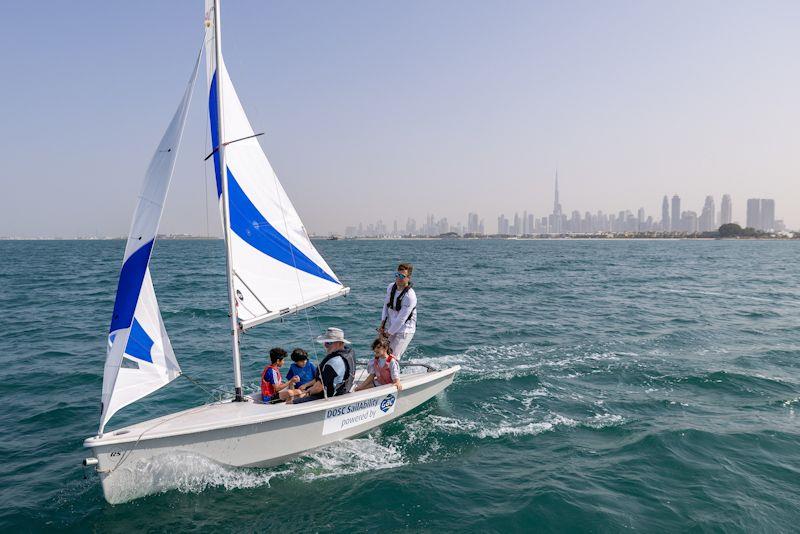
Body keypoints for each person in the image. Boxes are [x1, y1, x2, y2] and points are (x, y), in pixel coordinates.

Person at [288, 327, 355, 404]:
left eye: (329, 343)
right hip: (342, 391)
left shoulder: (334, 362)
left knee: (290, 403)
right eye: (325, 342)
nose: (326, 346)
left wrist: (307, 393)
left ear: (340, 343)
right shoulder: (347, 353)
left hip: (329, 396)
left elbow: (319, 388)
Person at [378, 262, 417, 359]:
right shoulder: (391, 287)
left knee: (392, 357)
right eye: (397, 275)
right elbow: (386, 306)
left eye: (402, 276)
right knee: (381, 352)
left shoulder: (410, 296)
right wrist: (382, 325)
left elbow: (401, 320)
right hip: (391, 326)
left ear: (409, 278)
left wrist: (388, 334)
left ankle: (394, 373)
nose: (399, 278)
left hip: (405, 329)